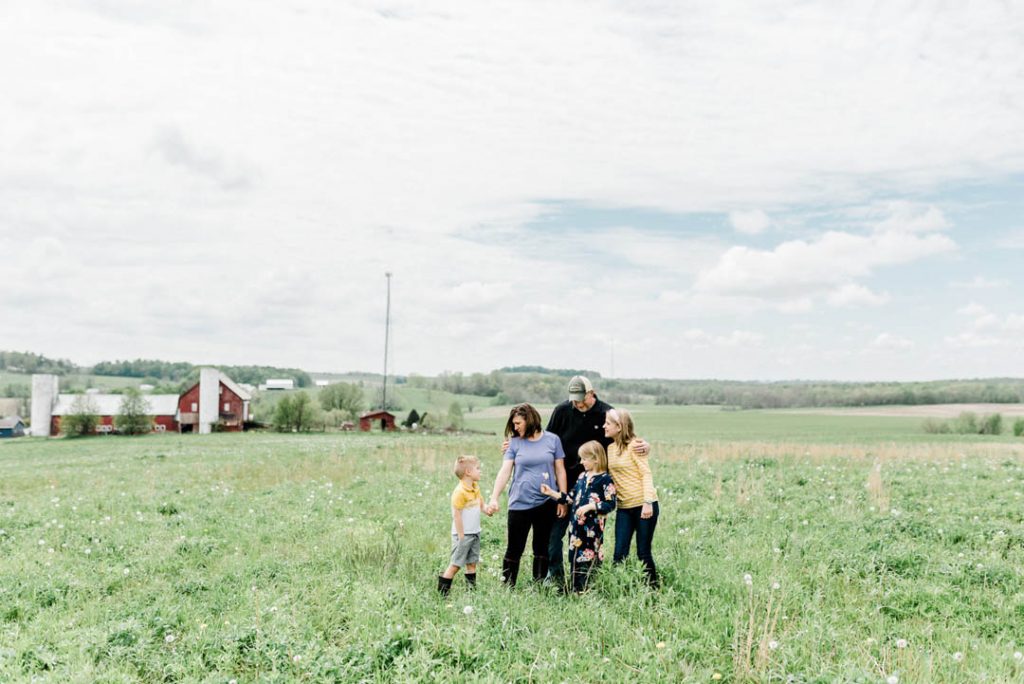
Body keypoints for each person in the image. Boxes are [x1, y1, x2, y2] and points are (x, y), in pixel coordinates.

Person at [540, 375, 648, 586]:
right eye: (573, 398)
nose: (577, 402)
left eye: (581, 398)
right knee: (555, 536)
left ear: (592, 393)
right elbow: (547, 441)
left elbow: (625, 436)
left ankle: (589, 579)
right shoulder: (562, 411)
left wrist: (646, 445)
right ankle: (555, 578)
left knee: (590, 537)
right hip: (566, 483)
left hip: (596, 488)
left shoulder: (606, 413)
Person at [485, 403, 567, 587]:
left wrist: (562, 499)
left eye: (518, 423)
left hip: (546, 502)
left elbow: (560, 471)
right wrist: (494, 498)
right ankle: (508, 585)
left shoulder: (552, 440)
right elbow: (505, 471)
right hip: (519, 503)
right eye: (513, 424)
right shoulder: (514, 443)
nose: (515, 427)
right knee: (514, 547)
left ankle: (538, 586)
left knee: (541, 546)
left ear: (529, 420)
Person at [539, 440, 616, 593]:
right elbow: (571, 498)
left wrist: (591, 506)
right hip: (575, 530)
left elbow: (611, 504)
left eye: (584, 459)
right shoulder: (582, 477)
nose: (581, 462)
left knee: (589, 560)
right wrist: (552, 493)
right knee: (574, 558)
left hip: (592, 532)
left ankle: (588, 592)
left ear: (595, 458)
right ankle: (575, 591)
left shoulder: (605, 480)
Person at [605, 407, 660, 588]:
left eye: (608, 423)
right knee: (619, 552)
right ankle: (619, 588)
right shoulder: (610, 448)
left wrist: (648, 503)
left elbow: (646, 474)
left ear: (619, 426)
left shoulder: (635, 446)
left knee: (643, 552)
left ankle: (653, 588)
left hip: (643, 505)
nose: (604, 426)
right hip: (624, 508)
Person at [437, 455, 483, 596]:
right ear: (468, 472)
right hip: (463, 535)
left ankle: (471, 592)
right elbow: (456, 515)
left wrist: (488, 509)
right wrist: (461, 536)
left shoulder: (475, 487)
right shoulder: (459, 492)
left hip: (475, 532)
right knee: (456, 564)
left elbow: (481, 503)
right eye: (478, 468)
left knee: (472, 563)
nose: (480, 471)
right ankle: (442, 594)